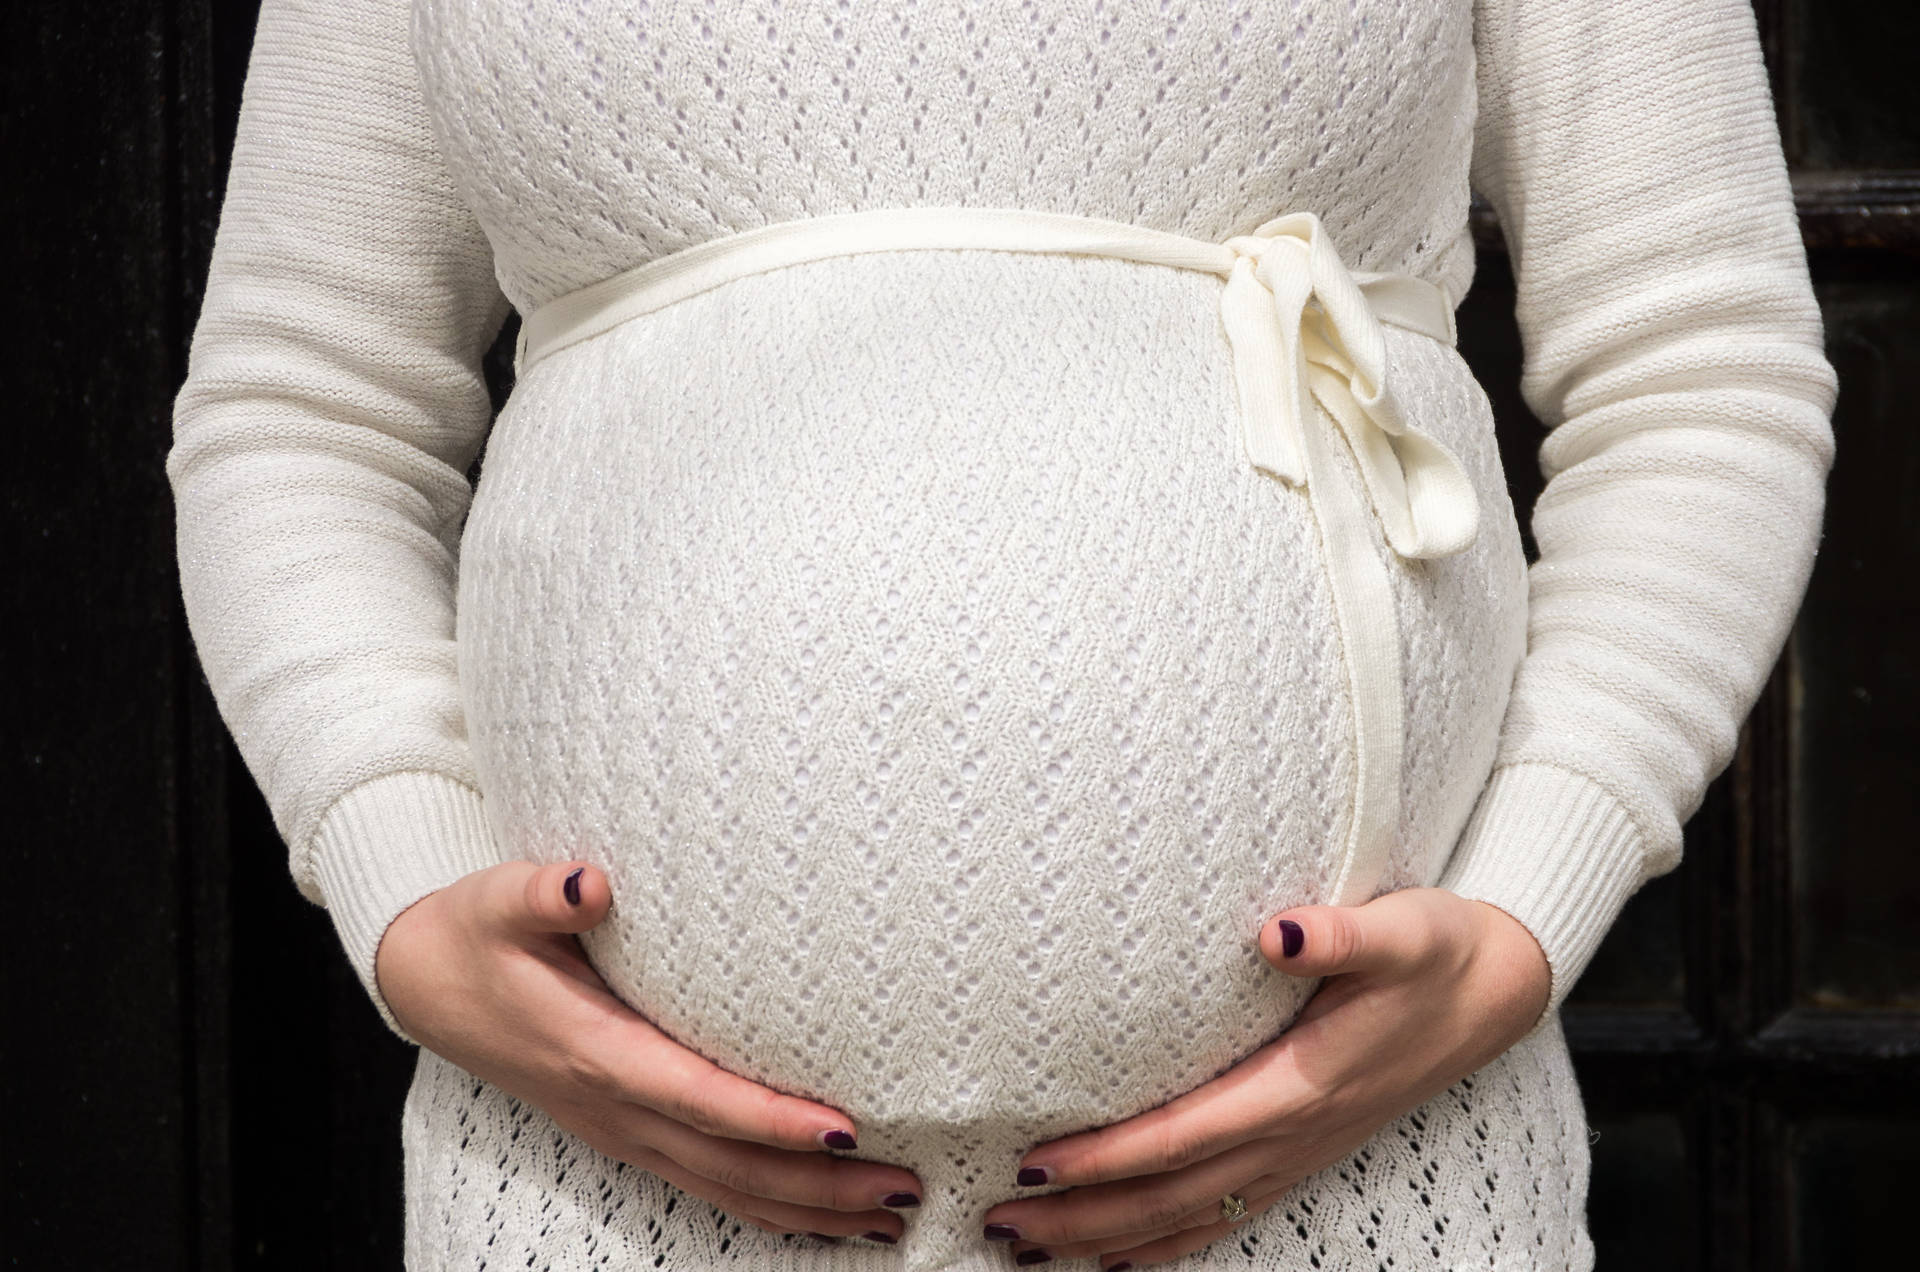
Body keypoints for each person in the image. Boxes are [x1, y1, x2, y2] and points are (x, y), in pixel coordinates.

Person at [166, 0, 1837, 1268]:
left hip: (1365, 1175)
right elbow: (308, 405)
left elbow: (1698, 362)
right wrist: (397, 873)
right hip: (592, 1189)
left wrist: (1525, 909)